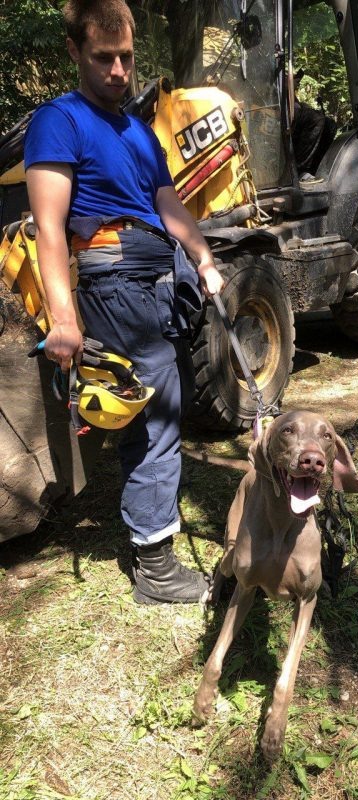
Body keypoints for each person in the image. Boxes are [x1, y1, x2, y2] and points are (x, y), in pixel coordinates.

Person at [24, 0, 225, 605]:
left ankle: (145, 535)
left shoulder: (138, 130)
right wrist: (64, 319)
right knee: (160, 412)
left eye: (126, 57)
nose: (117, 70)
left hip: (159, 277)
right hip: (115, 282)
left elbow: (167, 203)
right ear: (75, 53)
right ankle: (157, 567)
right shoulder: (59, 120)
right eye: (103, 57)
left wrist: (205, 259)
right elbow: (51, 228)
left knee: (152, 404)